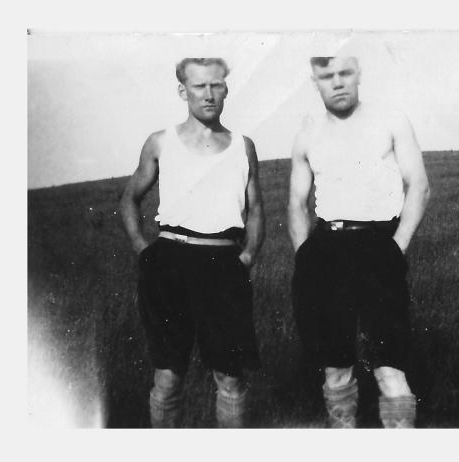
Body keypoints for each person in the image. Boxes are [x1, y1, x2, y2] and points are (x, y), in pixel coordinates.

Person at [120, 58, 265, 428]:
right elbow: (130, 197)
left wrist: (246, 255)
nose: (209, 94)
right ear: (182, 90)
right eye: (200, 86)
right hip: (169, 264)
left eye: (217, 85)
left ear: (227, 89)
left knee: (230, 377)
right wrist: (143, 248)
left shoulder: (242, 147)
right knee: (168, 377)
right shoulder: (160, 141)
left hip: (223, 265)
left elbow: (257, 209)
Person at [288, 56, 430, 428]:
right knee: (335, 368)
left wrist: (396, 246)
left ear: (359, 74)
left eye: (344, 73)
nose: (337, 82)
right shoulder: (308, 133)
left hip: (379, 245)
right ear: (314, 80)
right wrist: (305, 254)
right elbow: (296, 202)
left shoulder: (391, 121)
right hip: (326, 251)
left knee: (390, 367)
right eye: (327, 75)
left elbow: (419, 186)